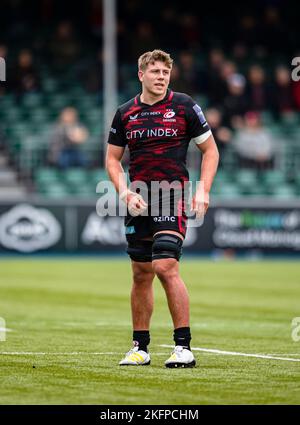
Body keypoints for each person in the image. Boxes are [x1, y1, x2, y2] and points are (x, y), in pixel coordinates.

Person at [106, 49, 219, 368]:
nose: (161, 77)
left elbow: (210, 151)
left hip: (173, 196)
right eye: (155, 71)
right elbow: (112, 160)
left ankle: (183, 347)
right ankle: (140, 348)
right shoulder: (125, 112)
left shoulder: (184, 105)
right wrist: (125, 192)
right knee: (141, 273)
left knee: (165, 266)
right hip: (139, 200)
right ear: (141, 74)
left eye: (165, 72)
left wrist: (204, 190)